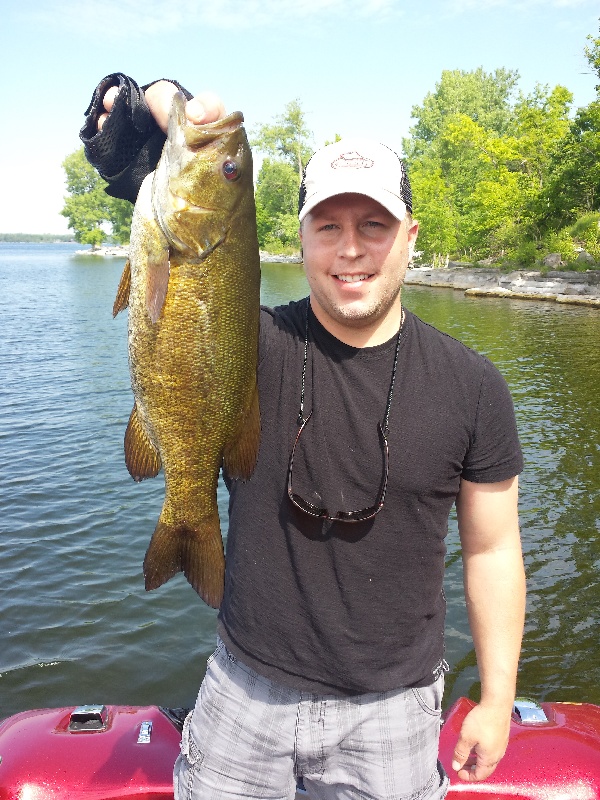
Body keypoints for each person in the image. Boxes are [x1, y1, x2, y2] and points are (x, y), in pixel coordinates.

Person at [81, 75, 526, 800]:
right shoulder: (252, 344)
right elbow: (178, 252)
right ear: (300, 238)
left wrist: (500, 699)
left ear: (409, 236)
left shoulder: (475, 387)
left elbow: (493, 550)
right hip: (242, 693)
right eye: (329, 226)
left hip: (395, 711)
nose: (351, 250)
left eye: (373, 225)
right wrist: (158, 101)